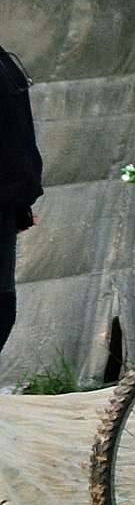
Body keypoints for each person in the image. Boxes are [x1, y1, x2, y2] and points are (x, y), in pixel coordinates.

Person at [0, 46, 42, 356]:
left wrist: (21, 205)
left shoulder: (4, 63)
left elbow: (16, 135)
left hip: (6, 205)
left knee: (2, 310)